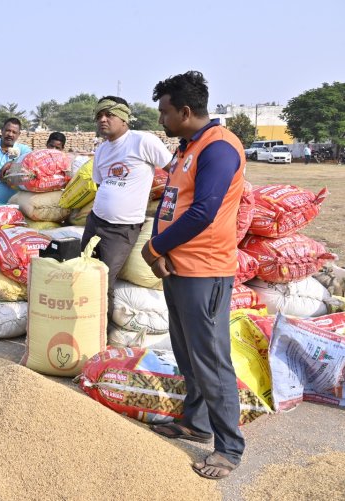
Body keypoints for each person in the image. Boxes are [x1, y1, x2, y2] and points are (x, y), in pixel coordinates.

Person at [141, 70, 246, 480]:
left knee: (211, 360)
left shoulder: (219, 148)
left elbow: (203, 212)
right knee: (188, 354)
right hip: (177, 267)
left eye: (165, 112)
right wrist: (157, 249)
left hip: (205, 271)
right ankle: (196, 424)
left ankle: (230, 448)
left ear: (186, 111)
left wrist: (155, 248)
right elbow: (170, 204)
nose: (161, 120)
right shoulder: (188, 147)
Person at [80, 96, 172, 322]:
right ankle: (81, 324)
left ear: (124, 118)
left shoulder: (142, 141)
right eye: (99, 116)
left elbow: (175, 170)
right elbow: (102, 184)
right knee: (83, 274)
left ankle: (100, 336)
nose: (102, 119)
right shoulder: (101, 150)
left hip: (122, 228)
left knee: (104, 282)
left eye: (109, 115)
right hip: (95, 221)